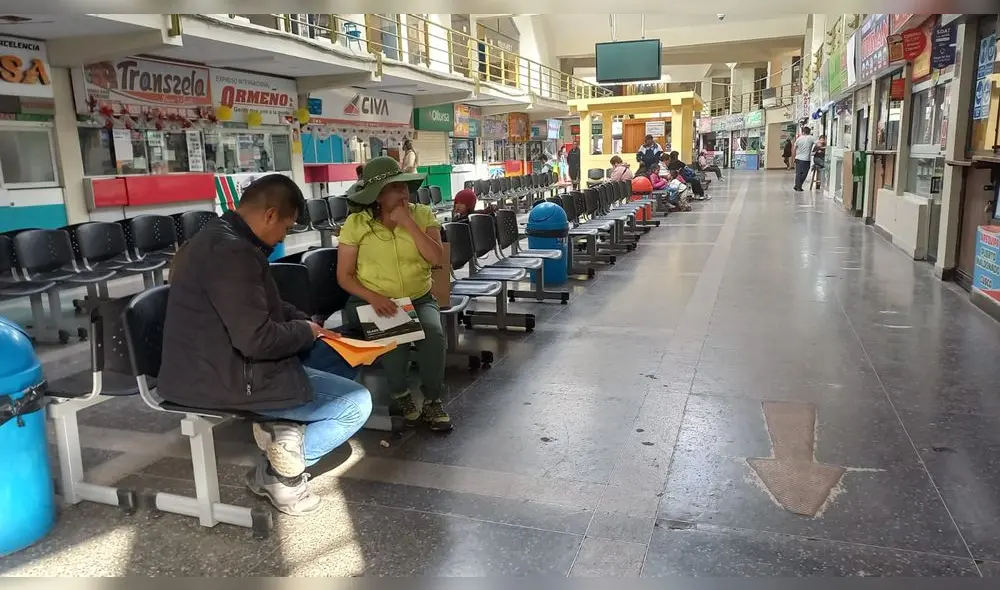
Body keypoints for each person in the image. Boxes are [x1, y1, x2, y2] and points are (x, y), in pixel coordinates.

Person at [160, 175, 373, 516]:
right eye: (286, 229)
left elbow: (266, 305)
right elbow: (256, 339)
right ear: (271, 214)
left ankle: (285, 431)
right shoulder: (231, 253)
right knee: (355, 405)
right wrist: (303, 331)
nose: (282, 238)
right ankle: (278, 474)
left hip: (224, 362)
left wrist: (311, 327)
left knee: (337, 354)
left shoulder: (227, 240)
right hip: (221, 378)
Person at [336, 156, 452, 432]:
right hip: (371, 298)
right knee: (398, 335)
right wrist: (374, 298)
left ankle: (433, 400)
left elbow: (436, 257)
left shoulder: (422, 214)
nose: (403, 192)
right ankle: (400, 396)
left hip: (419, 296)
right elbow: (344, 276)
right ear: (377, 196)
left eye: (404, 186)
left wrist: (409, 224)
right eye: (394, 188)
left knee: (433, 335)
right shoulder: (357, 224)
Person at [793, 127, 817, 192]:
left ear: (803, 132)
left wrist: (794, 157)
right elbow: (817, 143)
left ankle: (797, 186)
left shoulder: (798, 139)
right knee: (805, 173)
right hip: (806, 159)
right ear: (809, 132)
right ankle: (798, 186)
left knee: (798, 173)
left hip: (798, 158)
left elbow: (794, 148)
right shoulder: (811, 137)